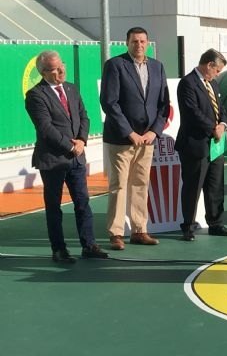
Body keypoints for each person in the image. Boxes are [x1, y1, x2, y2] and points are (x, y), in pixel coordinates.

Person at [25, 51, 108, 263]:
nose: (61, 70)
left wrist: (81, 141)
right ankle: (59, 249)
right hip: (53, 160)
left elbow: (84, 117)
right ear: (43, 73)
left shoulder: (71, 88)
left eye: (61, 65)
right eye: (54, 69)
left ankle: (89, 245)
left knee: (82, 202)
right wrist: (70, 146)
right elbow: (45, 128)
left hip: (76, 158)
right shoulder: (36, 95)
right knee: (54, 206)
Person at [100, 27, 169, 250]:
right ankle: (116, 233)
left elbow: (163, 104)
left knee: (140, 184)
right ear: (127, 43)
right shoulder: (115, 65)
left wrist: (153, 132)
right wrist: (130, 133)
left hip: (147, 140)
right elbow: (109, 103)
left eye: (142, 41)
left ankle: (139, 230)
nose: (139, 45)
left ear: (147, 43)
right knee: (119, 186)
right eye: (134, 41)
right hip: (121, 140)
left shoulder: (157, 67)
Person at [175, 49, 227, 241]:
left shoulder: (213, 83)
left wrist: (223, 125)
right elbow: (192, 112)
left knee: (215, 186)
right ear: (209, 65)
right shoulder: (187, 83)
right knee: (193, 186)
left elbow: (221, 108)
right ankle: (188, 226)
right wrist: (212, 128)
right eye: (217, 70)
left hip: (215, 145)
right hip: (195, 145)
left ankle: (216, 222)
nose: (217, 74)